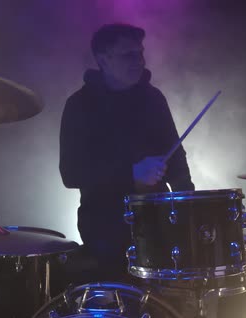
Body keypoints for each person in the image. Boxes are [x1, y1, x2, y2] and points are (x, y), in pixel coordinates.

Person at [58, 23, 195, 284]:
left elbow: (177, 160)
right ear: (103, 60)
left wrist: (188, 208)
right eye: (128, 55)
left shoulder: (153, 99)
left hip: (158, 221)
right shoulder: (80, 105)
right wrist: (131, 173)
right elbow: (71, 172)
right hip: (104, 225)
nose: (139, 61)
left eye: (140, 53)